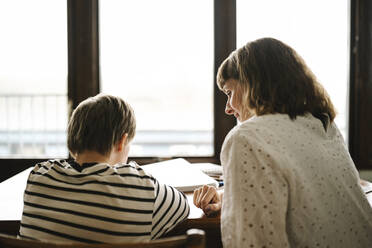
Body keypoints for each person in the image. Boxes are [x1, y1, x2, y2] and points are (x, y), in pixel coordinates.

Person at [193, 37, 372, 247]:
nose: (228, 108)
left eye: (230, 93)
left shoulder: (247, 139)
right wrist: (230, 197)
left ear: (253, 86)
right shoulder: (323, 126)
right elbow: (305, 199)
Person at [19, 94, 189, 243]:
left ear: (72, 142)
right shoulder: (141, 186)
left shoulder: (39, 176)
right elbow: (182, 206)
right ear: (122, 141)